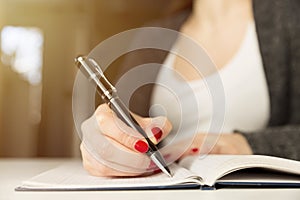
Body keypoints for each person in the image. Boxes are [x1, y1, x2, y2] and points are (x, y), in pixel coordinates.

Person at [80, 0, 300, 177]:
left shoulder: (289, 18)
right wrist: (105, 140)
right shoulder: (152, 36)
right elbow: (117, 122)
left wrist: (248, 145)